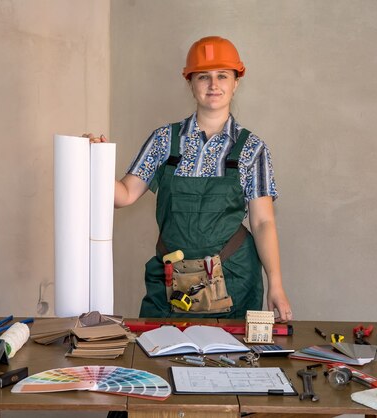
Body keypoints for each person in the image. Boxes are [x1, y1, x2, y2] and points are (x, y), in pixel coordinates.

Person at [86, 36, 292, 322]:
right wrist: (95, 160)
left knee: (231, 362)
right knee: (160, 357)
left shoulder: (252, 148)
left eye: (222, 75)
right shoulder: (163, 140)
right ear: (190, 83)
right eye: (203, 77)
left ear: (236, 82)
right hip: (171, 280)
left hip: (234, 279)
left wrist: (276, 284)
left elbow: (263, 222)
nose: (213, 84)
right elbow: (124, 196)